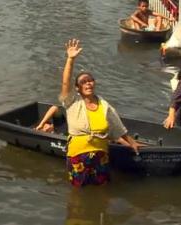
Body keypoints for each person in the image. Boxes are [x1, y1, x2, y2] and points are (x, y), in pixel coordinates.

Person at [59, 39, 142, 187]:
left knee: (102, 190)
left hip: (100, 155)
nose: (88, 83)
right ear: (77, 88)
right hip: (78, 154)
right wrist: (70, 59)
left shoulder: (104, 105)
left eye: (90, 80)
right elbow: (65, 84)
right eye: (84, 82)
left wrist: (131, 142)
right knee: (79, 193)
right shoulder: (72, 102)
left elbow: (117, 127)